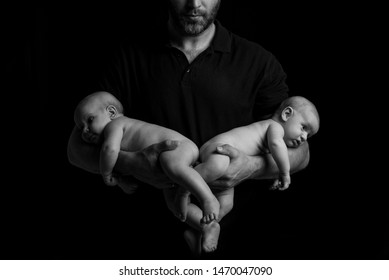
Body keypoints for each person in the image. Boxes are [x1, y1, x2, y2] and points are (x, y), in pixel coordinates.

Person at [67, 0, 311, 256]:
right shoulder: (128, 56)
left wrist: (250, 167)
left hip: (240, 240)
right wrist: (130, 163)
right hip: (141, 239)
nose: (194, 3)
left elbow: (302, 153)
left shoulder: (259, 62)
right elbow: (75, 150)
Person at [172, 95, 320, 254]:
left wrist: (275, 175)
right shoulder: (274, 128)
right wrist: (284, 173)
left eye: (309, 135)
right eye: (304, 128)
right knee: (217, 166)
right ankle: (184, 188)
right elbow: (277, 147)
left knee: (226, 204)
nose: (304, 138)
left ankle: (202, 228)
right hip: (217, 149)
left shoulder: (276, 138)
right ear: (286, 114)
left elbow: (278, 153)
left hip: (228, 166)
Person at [73, 91, 220, 224]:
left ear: (111, 112)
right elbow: (124, 163)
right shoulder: (113, 130)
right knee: (173, 204)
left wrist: (106, 173)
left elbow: (110, 150)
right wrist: (121, 181)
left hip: (177, 147)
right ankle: (207, 227)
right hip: (171, 159)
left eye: (90, 120)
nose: (85, 131)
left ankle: (208, 199)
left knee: (174, 166)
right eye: (81, 127)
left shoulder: (115, 125)